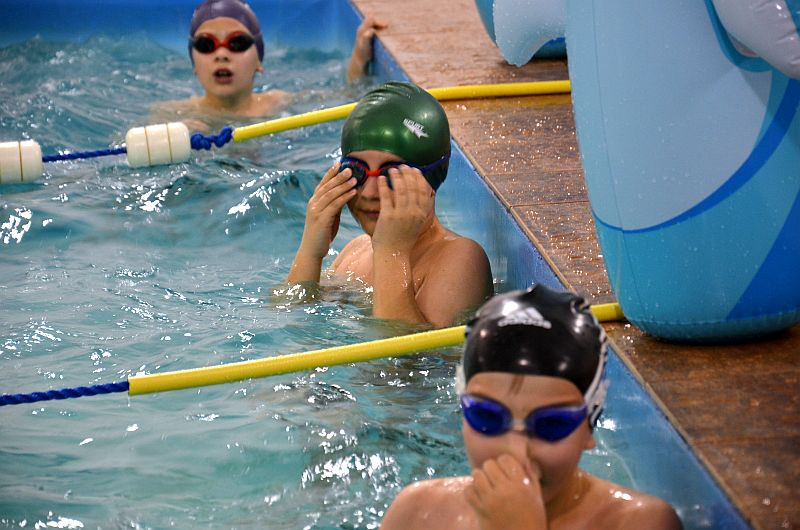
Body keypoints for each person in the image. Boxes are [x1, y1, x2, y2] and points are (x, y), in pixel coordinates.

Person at [380, 284, 683, 529]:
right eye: (487, 417)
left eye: (551, 424)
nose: (516, 451)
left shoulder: (639, 522)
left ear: (590, 424)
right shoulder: (417, 513)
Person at [287, 81, 492, 328]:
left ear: (431, 177)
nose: (371, 192)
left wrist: (391, 251)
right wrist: (311, 251)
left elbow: (401, 362)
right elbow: (291, 319)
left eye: (391, 175)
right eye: (357, 171)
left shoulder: (460, 258)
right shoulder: (355, 251)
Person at [152, 0, 386, 127]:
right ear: (194, 64)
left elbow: (349, 97)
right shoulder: (170, 115)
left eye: (237, 43)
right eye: (205, 45)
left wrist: (359, 57)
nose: (221, 54)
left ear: (259, 61)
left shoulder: (277, 103)